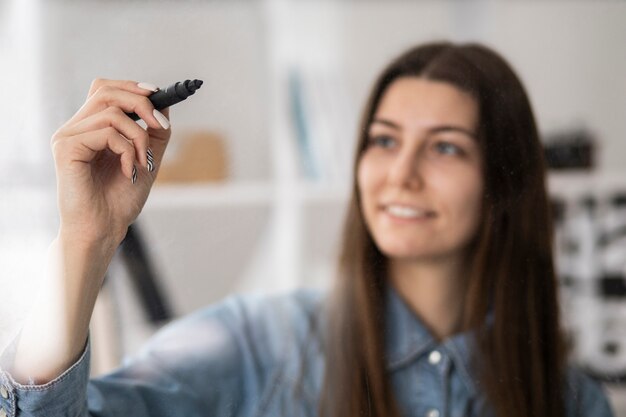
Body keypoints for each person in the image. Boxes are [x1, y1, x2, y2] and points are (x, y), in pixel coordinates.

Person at [0, 41, 615, 417]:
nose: (400, 175)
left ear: (504, 180)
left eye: (445, 149)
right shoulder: (257, 345)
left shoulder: (572, 400)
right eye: (384, 141)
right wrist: (88, 239)